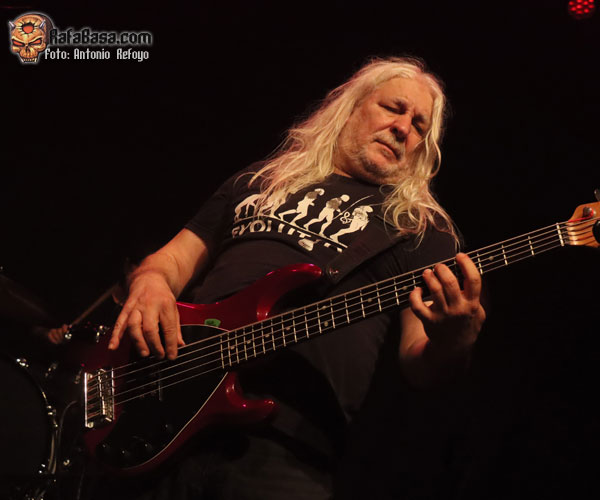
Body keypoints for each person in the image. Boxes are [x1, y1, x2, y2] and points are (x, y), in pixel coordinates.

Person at [104, 56, 486, 499]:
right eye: (393, 108)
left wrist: (454, 341)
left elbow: (421, 364)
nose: (403, 128)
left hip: (287, 450)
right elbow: (171, 261)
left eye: (419, 125)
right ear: (350, 107)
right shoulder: (260, 181)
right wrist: (151, 281)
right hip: (165, 412)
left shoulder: (421, 231)